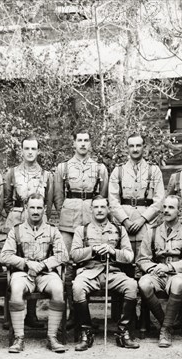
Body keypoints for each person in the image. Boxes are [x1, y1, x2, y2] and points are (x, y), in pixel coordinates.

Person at [0, 194, 68, 353]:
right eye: (32, 207)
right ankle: (18, 338)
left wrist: (43, 264)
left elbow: (63, 255)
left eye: (39, 207)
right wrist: (26, 263)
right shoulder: (16, 231)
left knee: (58, 288)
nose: (35, 211)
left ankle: (52, 337)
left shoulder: (52, 230)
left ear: (45, 209)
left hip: (46, 273)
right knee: (16, 289)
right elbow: (4, 255)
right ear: (26, 209)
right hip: (23, 274)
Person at [70, 196, 140, 351]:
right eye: (96, 207)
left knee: (132, 285)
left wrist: (113, 251)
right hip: (90, 272)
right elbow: (74, 255)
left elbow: (129, 256)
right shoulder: (82, 230)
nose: (100, 210)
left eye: (103, 207)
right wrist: (92, 250)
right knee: (77, 287)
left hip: (113, 272)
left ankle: (123, 331)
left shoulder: (119, 230)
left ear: (108, 209)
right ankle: (86, 332)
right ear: (91, 210)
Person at [54, 131, 108, 324]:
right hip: (69, 221)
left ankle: (85, 312)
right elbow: (58, 197)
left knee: (91, 263)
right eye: (79, 140)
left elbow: (102, 196)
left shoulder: (100, 169)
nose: (83, 144)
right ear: (74, 144)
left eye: (86, 140)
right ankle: (71, 313)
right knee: (68, 265)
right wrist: (68, 209)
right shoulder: (63, 168)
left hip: (91, 224)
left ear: (90, 144)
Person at [3, 136, 54, 328]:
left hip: (38, 219)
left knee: (36, 259)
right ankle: (11, 316)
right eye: (26, 148)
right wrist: (17, 213)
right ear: (21, 151)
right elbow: (6, 200)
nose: (30, 152)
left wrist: (41, 217)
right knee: (15, 264)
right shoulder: (12, 172)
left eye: (33, 148)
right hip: (17, 218)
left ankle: (31, 316)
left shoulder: (46, 174)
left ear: (38, 151)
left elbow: (48, 203)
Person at [137, 195, 182, 348]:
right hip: (158, 273)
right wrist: (153, 268)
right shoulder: (152, 232)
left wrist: (170, 267)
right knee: (143, 283)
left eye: (171, 207)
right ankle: (167, 322)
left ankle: (164, 330)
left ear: (180, 211)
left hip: (181, 274)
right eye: (164, 207)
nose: (166, 210)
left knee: (177, 283)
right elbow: (142, 259)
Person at [108, 133, 165, 268]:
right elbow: (113, 200)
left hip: (146, 224)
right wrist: (125, 221)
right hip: (123, 225)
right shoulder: (119, 171)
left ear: (144, 147)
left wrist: (142, 219)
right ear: (127, 148)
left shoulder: (154, 170)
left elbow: (159, 200)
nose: (135, 149)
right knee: (122, 262)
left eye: (138, 145)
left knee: (144, 261)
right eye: (131, 146)